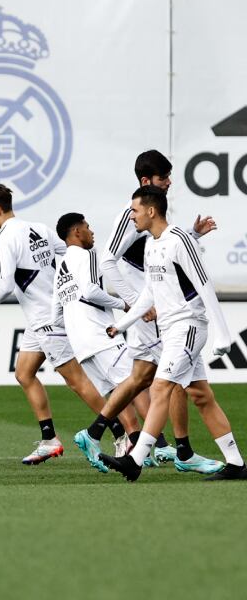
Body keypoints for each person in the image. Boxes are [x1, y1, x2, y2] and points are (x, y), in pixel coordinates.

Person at [101, 186, 245, 482]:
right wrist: (123, 324)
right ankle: (236, 463)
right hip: (170, 330)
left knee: (159, 388)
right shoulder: (151, 244)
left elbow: (205, 285)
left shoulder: (180, 240)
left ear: (151, 211)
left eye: (135, 210)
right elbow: (148, 294)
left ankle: (135, 460)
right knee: (201, 395)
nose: (132, 215)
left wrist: (223, 335)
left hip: (189, 327)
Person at [0, 183, 113, 465]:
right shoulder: (39, 229)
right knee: (24, 373)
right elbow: (71, 251)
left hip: (47, 320)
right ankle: (49, 440)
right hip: (43, 318)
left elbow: (6, 284)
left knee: (77, 381)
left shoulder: (3, 238)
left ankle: (122, 435)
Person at [50, 213, 144, 470]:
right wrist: (124, 305)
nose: (92, 231)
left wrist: (75, 324)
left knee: (118, 392)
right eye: (88, 227)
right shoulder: (88, 255)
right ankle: (159, 445)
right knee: (139, 382)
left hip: (81, 344)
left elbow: (55, 313)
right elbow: (91, 291)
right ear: (77, 231)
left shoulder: (62, 265)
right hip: (101, 335)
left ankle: (137, 445)